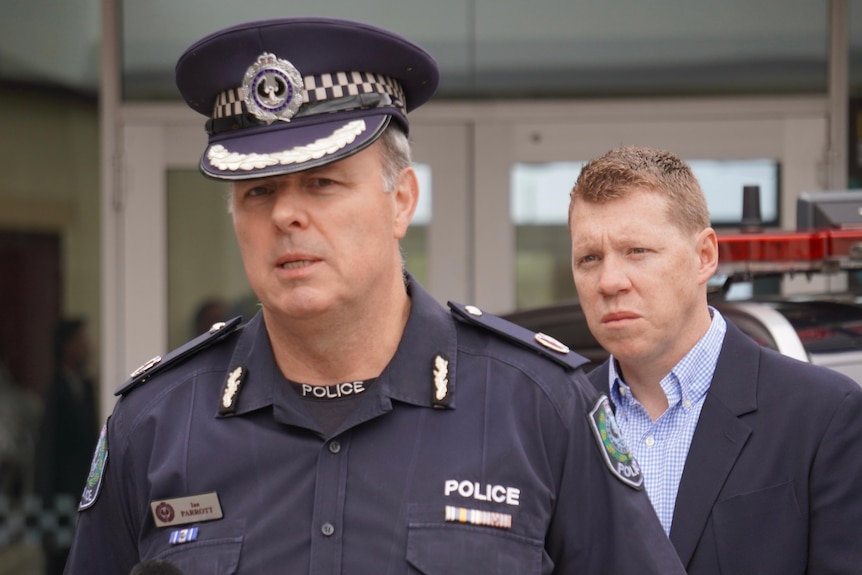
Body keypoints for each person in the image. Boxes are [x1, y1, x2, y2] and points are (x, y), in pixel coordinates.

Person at [63, 18, 685, 574]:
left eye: (322, 183)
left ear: (402, 201)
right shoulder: (155, 426)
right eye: (257, 192)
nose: (286, 216)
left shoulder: (538, 407)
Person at [568, 145, 862, 574]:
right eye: (589, 258)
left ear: (705, 256)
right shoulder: (555, 418)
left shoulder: (823, 416)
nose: (609, 281)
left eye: (637, 251)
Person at [36, 318, 99, 574]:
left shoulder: (86, 387)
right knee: (59, 561)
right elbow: (47, 456)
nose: (88, 347)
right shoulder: (56, 392)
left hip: (83, 494)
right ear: (67, 346)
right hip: (60, 498)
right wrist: (45, 511)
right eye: (81, 341)